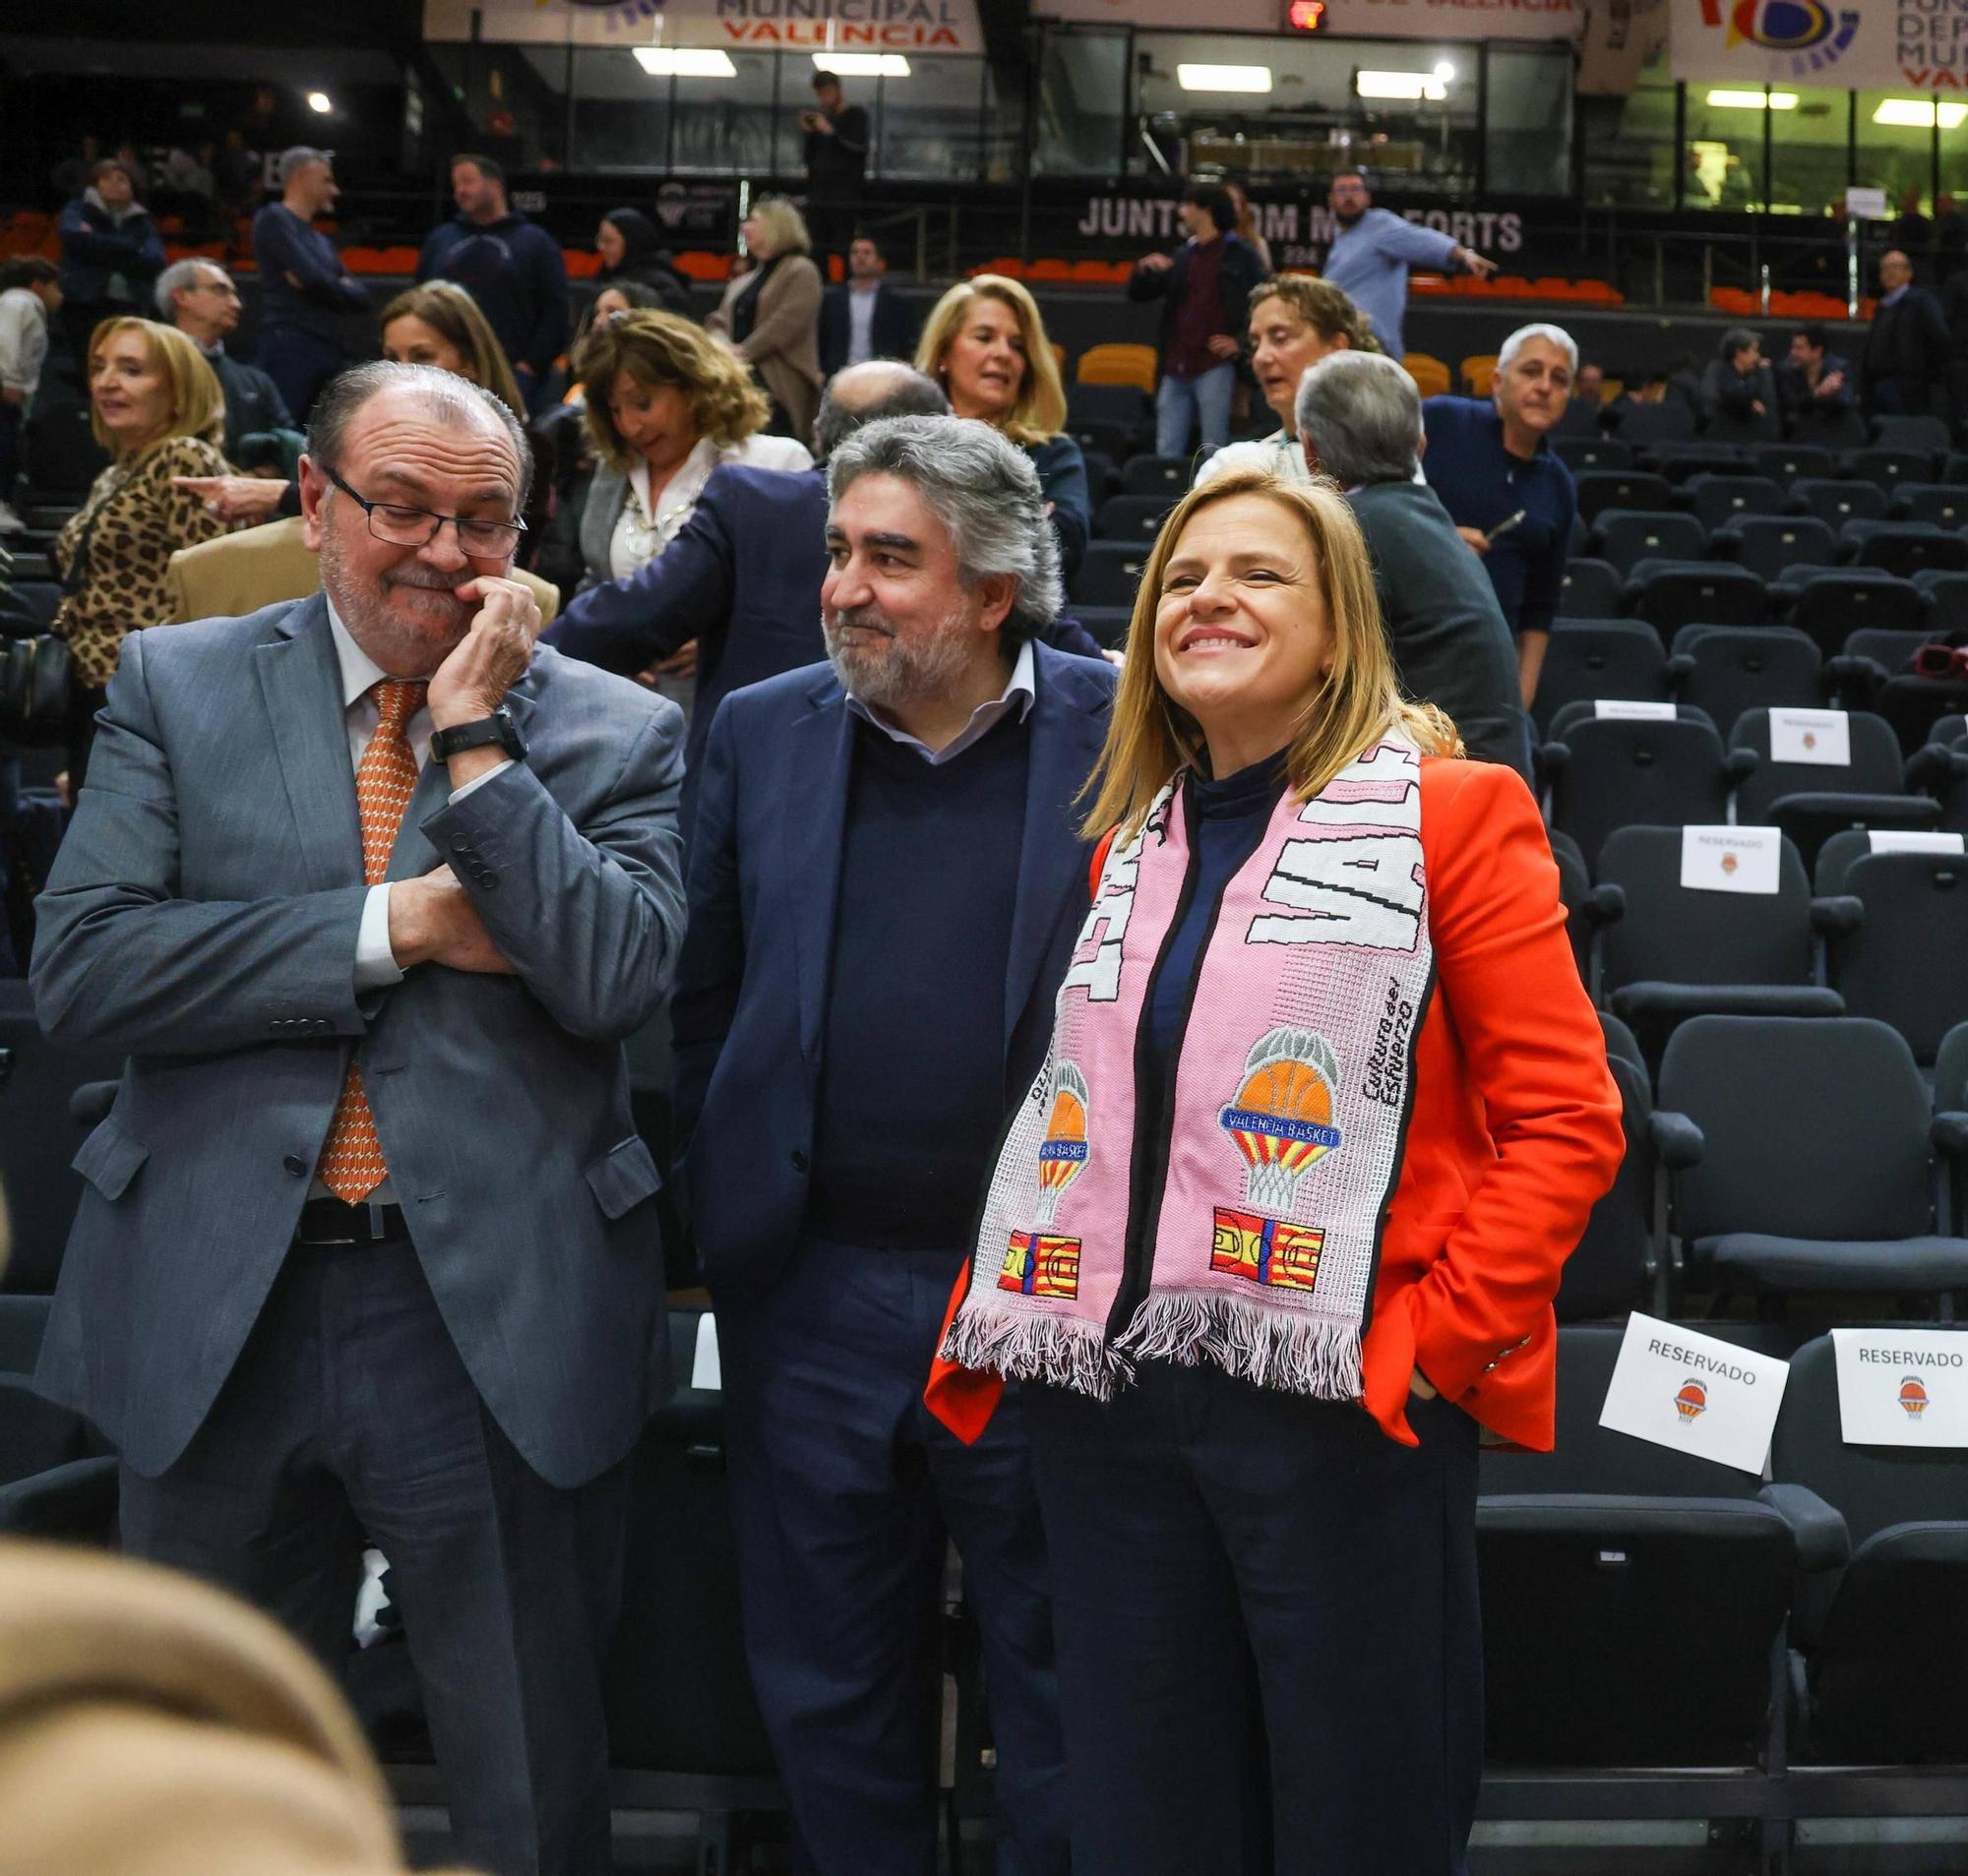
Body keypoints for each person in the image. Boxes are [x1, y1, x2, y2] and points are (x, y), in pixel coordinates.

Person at [31, 358, 686, 1876]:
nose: (444, 553)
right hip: (214, 1300)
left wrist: (472, 739)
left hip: (488, 1317)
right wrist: (395, 925)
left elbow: (608, 976)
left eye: (484, 520)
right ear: (317, 504)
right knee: (203, 1791)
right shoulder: (174, 684)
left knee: (527, 1785)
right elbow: (88, 963)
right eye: (401, 508)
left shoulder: (611, 729)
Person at [928, 461, 1622, 1876]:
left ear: (1338, 622)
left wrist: (1429, 1345)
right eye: (1182, 577)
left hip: (1340, 1411)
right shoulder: (1122, 845)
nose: (1209, 597)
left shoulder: (1455, 815)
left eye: (1257, 573)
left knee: (1355, 1824)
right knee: (1143, 1828)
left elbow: (1570, 1120)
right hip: (1113, 1412)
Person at [673, 413, 1111, 1876]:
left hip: (1048, 1306)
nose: (845, 586)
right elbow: (708, 994)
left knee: (1063, 1685)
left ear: (993, 592)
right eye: (840, 552)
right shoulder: (759, 725)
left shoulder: (1129, 731)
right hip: (819, 1293)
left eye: (890, 559)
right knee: (829, 1680)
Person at [546, 359, 946, 833]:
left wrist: (524, 656)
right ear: (942, 432)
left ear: (819, 432)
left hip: (754, 804)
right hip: (922, 801)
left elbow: (631, 616)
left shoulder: (752, 502)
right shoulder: (960, 528)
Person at [1293, 351, 1529, 777]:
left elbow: (1305, 690)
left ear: (1309, 452)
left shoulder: (1352, 528)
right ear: (1419, 448)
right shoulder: (1433, 521)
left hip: (1441, 795)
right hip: (1489, 783)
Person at [50, 319, 229, 788]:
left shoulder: (184, 459)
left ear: (177, 389)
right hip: (94, 696)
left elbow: (213, 598)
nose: (107, 381)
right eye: (99, 366)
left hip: (153, 703)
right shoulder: (112, 475)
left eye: (131, 369)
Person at [572, 306, 810, 593]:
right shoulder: (614, 471)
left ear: (694, 387)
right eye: (615, 410)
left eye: (643, 403)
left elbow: (797, 593)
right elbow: (595, 586)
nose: (629, 426)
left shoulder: (776, 463)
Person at [1422, 321, 1578, 705]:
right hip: (1403, 649)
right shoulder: (1438, 421)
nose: (1544, 386)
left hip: (1488, 676)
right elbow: (1368, 502)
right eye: (1531, 371)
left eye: (1559, 379)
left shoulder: (1559, 484)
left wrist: (1519, 704)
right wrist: (1436, 540)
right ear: (1496, 381)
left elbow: (1540, 608)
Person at [915, 273, 1092, 581]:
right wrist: (1021, 524)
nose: (1003, 354)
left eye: (1018, 346)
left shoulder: (1054, 455)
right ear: (943, 353)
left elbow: (1064, 545)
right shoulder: (906, 445)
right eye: (984, 337)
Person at [380, 280, 556, 562]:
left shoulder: (527, 451)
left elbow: (511, 561)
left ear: (470, 362)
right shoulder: (370, 445)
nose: (403, 373)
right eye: (392, 359)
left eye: (422, 357)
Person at [417, 155, 571, 416]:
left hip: (512, 375)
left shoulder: (536, 242)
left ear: (496, 186)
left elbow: (556, 307)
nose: (460, 191)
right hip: (445, 373)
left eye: (468, 181)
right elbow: (418, 302)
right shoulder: (439, 240)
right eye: (456, 185)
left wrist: (531, 364)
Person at [1127, 180, 1268, 461]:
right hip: (1175, 364)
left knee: (1215, 451)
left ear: (1204, 210)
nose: (1182, 214)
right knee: (1166, 449)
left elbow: (1264, 304)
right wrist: (1143, 271)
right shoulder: (1183, 256)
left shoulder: (1242, 256)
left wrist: (1239, 343)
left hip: (1214, 365)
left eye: (1186, 206)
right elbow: (1140, 294)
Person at [1195, 273, 1379, 486]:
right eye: (1255, 345)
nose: (1260, 357)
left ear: (1337, 348)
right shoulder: (1232, 468)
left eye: (1280, 339)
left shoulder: (1387, 460)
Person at [1322, 166, 1498, 359]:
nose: (1349, 197)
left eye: (1355, 189)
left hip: (1369, 342)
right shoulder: (1340, 238)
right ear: (1330, 199)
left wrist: (1463, 254)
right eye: (1342, 190)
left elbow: (1421, 239)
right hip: (1342, 338)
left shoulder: (1379, 225)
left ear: (1368, 197)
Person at [250, 147, 371, 424]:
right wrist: (335, 284)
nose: (335, 190)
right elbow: (315, 279)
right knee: (283, 431)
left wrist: (320, 283)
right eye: (327, 180)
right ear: (302, 176)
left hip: (327, 347)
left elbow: (361, 297)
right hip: (290, 346)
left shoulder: (322, 241)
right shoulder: (273, 219)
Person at [707, 197, 825, 443]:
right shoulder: (743, 280)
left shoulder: (801, 271)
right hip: (738, 380)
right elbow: (718, 321)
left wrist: (743, 353)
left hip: (777, 385)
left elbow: (786, 323)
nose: (745, 227)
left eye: (753, 221)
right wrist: (720, 349)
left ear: (777, 226)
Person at [154, 259, 294, 462]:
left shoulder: (257, 381)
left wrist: (268, 471)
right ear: (181, 296)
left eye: (235, 294)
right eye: (220, 290)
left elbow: (288, 444)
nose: (236, 304)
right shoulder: (150, 372)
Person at [56, 156, 165, 367]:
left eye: (121, 179)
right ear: (95, 184)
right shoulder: (78, 209)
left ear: (133, 188)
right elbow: (75, 238)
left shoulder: (143, 222)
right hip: (83, 303)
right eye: (106, 178)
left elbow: (155, 260)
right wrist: (131, 247)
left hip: (130, 304)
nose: (114, 183)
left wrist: (98, 249)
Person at [0, 257, 62, 533]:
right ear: (38, 285)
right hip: (4, 388)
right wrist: (9, 380)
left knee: (11, 448)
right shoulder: (18, 302)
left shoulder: (24, 306)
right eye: (55, 287)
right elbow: (5, 340)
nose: (60, 295)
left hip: (12, 391)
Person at [1862, 249, 1952, 421]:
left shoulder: (1922, 302)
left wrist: (1924, 371)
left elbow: (1941, 338)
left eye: (1896, 267)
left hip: (1908, 387)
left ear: (1909, 272)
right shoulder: (1882, 307)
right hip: (1878, 385)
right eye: (1885, 268)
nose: (1890, 272)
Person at [819, 232, 919, 376]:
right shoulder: (832, 301)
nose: (860, 257)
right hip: (839, 375)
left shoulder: (897, 304)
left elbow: (905, 345)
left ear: (879, 262)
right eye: (855, 253)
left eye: (867, 253)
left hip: (881, 377)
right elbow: (822, 340)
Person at [800, 69, 870, 268]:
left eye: (827, 92)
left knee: (844, 246)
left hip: (844, 196)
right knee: (817, 248)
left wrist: (829, 132)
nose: (824, 98)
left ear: (838, 90)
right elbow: (809, 159)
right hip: (819, 195)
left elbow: (856, 149)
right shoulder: (823, 122)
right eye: (820, 94)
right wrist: (809, 134)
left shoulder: (856, 116)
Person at [593, 207, 693, 317]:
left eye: (609, 241)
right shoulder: (607, 275)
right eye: (600, 239)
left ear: (632, 243)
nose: (601, 247)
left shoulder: (663, 285)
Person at [1777, 324, 1857, 440]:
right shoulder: (1786, 369)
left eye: (1799, 348)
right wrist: (1818, 393)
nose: (1793, 353)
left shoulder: (1839, 368)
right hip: (1798, 433)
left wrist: (1824, 395)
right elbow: (1790, 404)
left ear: (1817, 351)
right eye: (1792, 347)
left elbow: (1844, 402)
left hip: (1833, 431)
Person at [1697, 329, 1779, 441]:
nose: (1758, 357)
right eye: (1754, 351)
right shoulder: (1719, 370)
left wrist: (1764, 373)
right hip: (1722, 442)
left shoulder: (1750, 376)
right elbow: (1731, 393)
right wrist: (1750, 401)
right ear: (1739, 353)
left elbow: (1768, 406)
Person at [1226, 181, 1273, 275]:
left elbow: (1266, 279)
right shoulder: (1199, 242)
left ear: (1242, 206)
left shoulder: (1257, 243)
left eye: (1234, 201)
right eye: (1226, 201)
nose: (1229, 206)